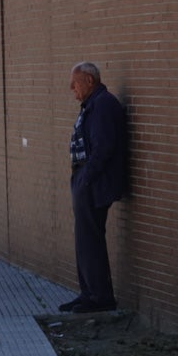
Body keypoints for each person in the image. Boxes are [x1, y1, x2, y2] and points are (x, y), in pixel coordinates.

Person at [60, 61, 126, 313]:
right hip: (86, 180)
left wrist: (86, 178)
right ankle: (88, 292)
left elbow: (104, 147)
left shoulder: (103, 104)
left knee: (91, 240)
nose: (71, 88)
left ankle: (100, 297)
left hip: (94, 184)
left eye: (75, 83)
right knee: (84, 239)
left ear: (89, 80)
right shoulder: (93, 104)